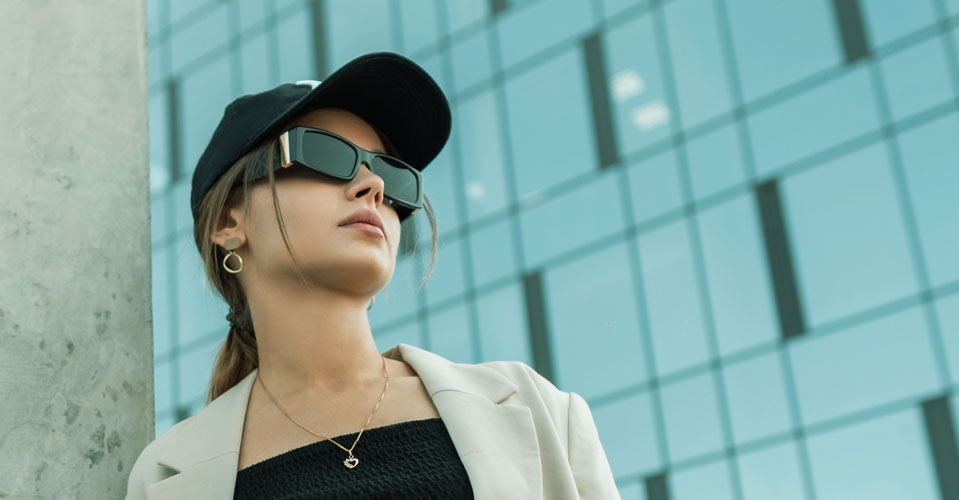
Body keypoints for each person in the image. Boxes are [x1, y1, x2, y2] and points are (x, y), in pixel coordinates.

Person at [124, 51, 619, 500]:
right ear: (229, 222)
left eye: (391, 172)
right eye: (324, 153)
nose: (374, 185)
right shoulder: (168, 477)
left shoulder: (540, 413)